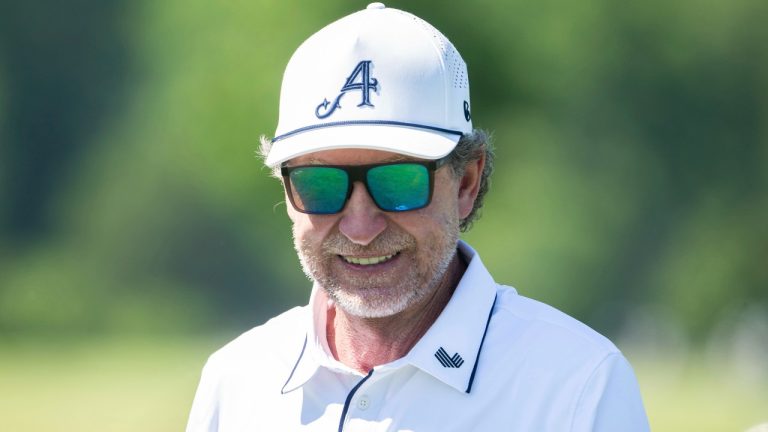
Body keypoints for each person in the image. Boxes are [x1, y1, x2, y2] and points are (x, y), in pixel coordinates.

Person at [186, 3, 650, 431]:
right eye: (321, 185)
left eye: (399, 183)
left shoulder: (578, 389)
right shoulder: (235, 383)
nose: (360, 227)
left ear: (467, 181)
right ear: (287, 192)